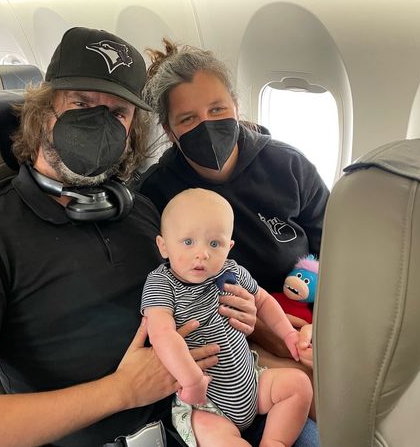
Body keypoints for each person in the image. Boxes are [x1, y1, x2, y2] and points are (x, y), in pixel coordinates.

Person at [0, 27, 260, 447]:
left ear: (133, 132)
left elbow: (184, 292)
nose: (99, 122)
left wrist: (240, 316)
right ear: (42, 111)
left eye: (117, 114)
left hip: (208, 415)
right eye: (81, 103)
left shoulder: (143, 211)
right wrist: (121, 390)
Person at [139, 39, 329, 372]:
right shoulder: (157, 190)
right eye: (188, 119)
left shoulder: (288, 166)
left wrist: (324, 323)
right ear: (169, 131)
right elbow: (168, 281)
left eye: (217, 110)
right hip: (226, 331)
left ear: (236, 107)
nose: (207, 125)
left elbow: (333, 251)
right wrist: (265, 329)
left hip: (304, 309)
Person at [142, 188, 313, 447]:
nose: (202, 254)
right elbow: (161, 334)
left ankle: (274, 442)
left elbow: (264, 300)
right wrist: (191, 380)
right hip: (205, 403)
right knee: (214, 437)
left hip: (252, 383)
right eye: (188, 242)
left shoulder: (231, 271)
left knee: (298, 385)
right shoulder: (162, 283)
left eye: (214, 244)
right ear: (163, 246)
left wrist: (287, 333)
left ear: (229, 246)